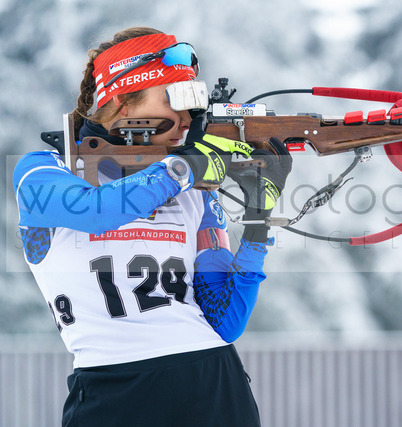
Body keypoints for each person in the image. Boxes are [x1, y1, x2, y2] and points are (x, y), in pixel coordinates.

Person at [12, 27, 291, 426]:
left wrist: (258, 219)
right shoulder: (43, 170)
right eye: (174, 98)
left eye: (193, 102)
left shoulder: (193, 189)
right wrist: (185, 167)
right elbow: (95, 210)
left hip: (213, 385)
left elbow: (224, 319)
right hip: (110, 392)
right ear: (122, 101)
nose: (188, 119)